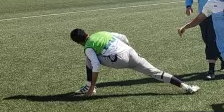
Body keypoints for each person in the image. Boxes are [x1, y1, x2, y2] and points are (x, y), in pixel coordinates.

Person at [71, 29, 199, 96]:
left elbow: (96, 66)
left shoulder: (87, 47)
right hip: (131, 53)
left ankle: (89, 87)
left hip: (117, 61)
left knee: (89, 58)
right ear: (87, 33)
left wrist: (93, 86)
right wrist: (127, 48)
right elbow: (123, 37)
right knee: (155, 72)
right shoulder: (101, 33)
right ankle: (186, 87)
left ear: (78, 42)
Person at [185, 0, 224, 80]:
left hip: (217, 17)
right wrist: (188, 6)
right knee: (207, 41)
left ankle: (211, 70)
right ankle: (223, 59)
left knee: (211, 41)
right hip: (203, 18)